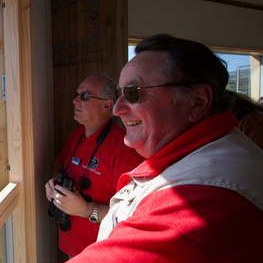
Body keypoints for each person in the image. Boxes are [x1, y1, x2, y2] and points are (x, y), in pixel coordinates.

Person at [68, 34, 263, 262]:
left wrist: (86, 211)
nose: (118, 109)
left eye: (134, 92)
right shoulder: (214, 154)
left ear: (197, 101)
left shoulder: (197, 201)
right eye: (121, 93)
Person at [45, 75, 143, 258]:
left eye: (84, 96)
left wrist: (85, 210)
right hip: (70, 247)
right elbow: (59, 161)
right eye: (76, 95)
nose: (75, 100)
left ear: (107, 106)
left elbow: (131, 213)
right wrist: (54, 181)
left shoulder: (124, 148)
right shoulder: (76, 134)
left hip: (101, 254)